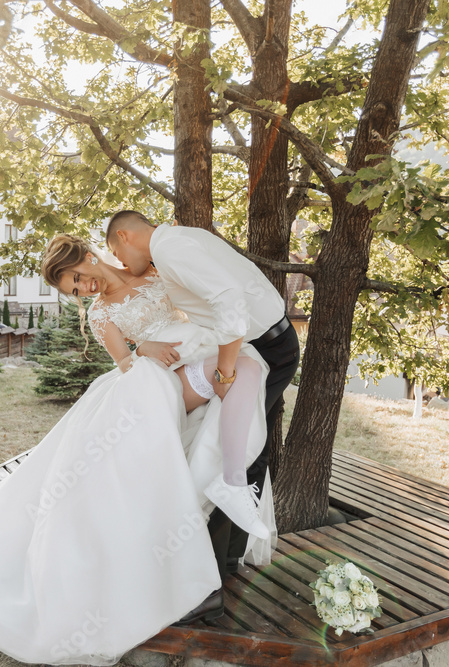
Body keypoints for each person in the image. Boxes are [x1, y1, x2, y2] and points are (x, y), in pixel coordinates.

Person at [0, 235, 273, 665]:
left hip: (195, 351)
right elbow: (124, 364)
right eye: (75, 291)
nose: (85, 290)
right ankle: (225, 485)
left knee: (246, 365)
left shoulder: (152, 273)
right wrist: (141, 347)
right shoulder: (102, 314)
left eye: (78, 279)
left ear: (88, 257)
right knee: (233, 370)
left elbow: (192, 301)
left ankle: (230, 480)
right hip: (154, 380)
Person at [105, 210, 301, 619]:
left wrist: (226, 370)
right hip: (261, 343)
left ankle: (204, 583)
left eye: (116, 253)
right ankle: (222, 566)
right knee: (244, 448)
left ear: (124, 235)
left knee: (222, 450)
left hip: (261, 348)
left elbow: (229, 303)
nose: (120, 262)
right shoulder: (176, 243)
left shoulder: (171, 248)